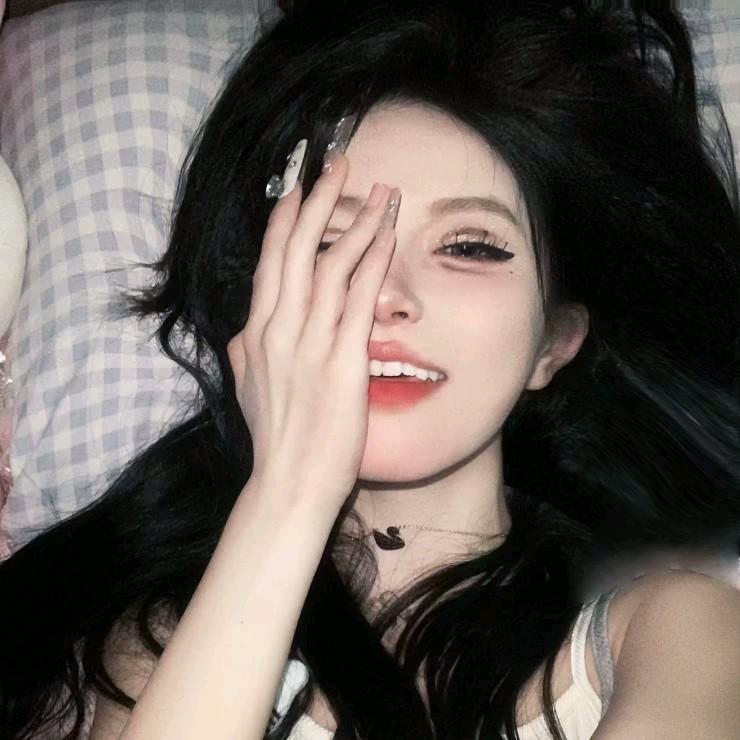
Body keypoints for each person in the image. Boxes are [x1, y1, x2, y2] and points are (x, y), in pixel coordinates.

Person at [1, 1, 740, 738]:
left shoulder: (678, 628)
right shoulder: (162, 638)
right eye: (334, 240)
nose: (385, 294)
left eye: (470, 247)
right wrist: (287, 488)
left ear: (555, 341)